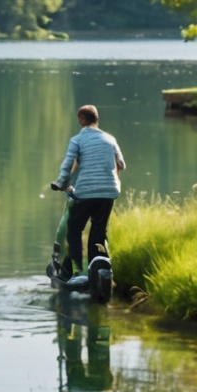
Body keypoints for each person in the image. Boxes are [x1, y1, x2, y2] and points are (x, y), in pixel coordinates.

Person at [51, 104, 125, 282]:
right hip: (109, 193)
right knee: (99, 231)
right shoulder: (110, 139)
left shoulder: (77, 140)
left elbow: (68, 165)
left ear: (82, 120)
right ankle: (96, 266)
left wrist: (60, 183)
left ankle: (76, 271)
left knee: (74, 229)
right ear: (97, 119)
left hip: (85, 193)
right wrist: (111, 181)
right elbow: (121, 164)